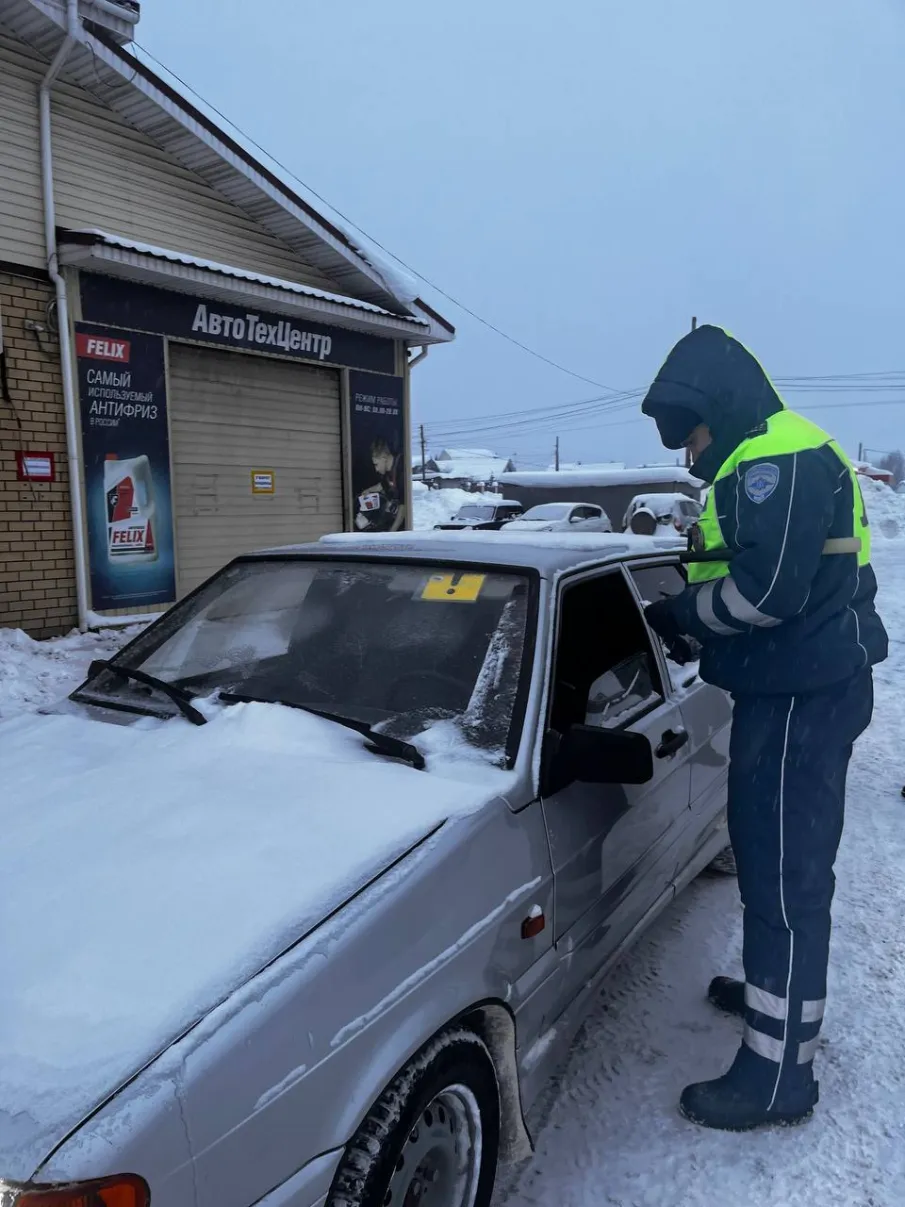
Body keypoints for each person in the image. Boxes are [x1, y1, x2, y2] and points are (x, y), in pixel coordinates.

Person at [640, 324, 888, 1131]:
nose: (689, 457)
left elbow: (765, 593)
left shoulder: (773, 459)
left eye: (693, 437)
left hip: (797, 695)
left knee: (784, 878)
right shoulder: (774, 451)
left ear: (716, 407)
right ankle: (769, 999)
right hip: (797, 686)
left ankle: (777, 1074)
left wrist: (683, 616)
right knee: (771, 865)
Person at [354, 437, 406, 533]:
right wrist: (369, 490)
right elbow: (382, 485)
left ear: (384, 458)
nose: (376, 469)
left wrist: (391, 532)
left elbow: (404, 507)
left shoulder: (402, 469)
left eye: (376, 464)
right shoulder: (388, 472)